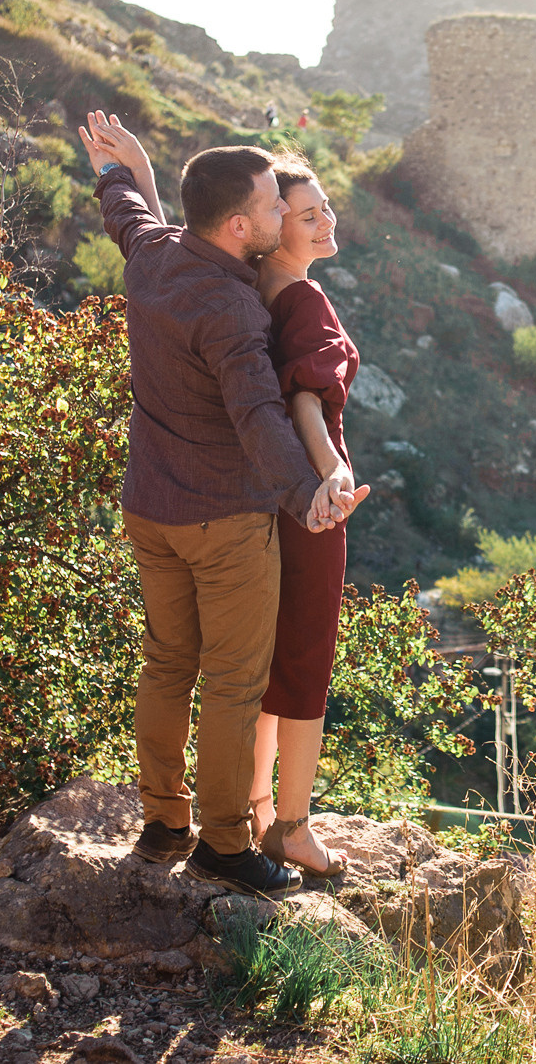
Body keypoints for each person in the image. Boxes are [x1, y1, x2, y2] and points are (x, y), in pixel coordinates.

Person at [77, 113, 365, 899]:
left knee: (168, 662)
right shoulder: (234, 309)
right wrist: (310, 494)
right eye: (275, 206)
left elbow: (125, 211)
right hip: (223, 520)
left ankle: (165, 821)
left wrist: (118, 166)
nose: (281, 219)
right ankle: (227, 845)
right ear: (239, 224)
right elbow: (258, 421)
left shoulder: (155, 255)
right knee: (234, 683)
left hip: (149, 506)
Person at [247, 160, 358, 878]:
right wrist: (333, 472)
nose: (326, 221)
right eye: (309, 212)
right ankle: (291, 825)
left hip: (261, 493)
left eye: (327, 208)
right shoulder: (305, 299)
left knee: (260, 656)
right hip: (312, 500)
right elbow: (306, 400)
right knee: (308, 656)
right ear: (273, 222)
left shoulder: (253, 285)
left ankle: (254, 806)